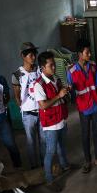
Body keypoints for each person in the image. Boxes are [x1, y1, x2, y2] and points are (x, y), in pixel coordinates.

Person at [67, 39, 97, 173]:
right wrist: (70, 90)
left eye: (89, 52)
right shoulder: (72, 71)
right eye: (87, 52)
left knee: (96, 133)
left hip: (95, 106)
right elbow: (71, 92)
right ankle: (87, 161)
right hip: (83, 108)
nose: (89, 54)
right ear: (80, 54)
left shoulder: (93, 66)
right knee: (85, 135)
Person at [34, 51, 70, 183]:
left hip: (60, 119)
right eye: (51, 65)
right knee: (51, 151)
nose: (54, 67)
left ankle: (65, 165)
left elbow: (60, 97)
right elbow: (43, 105)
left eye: (54, 64)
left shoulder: (56, 79)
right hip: (51, 124)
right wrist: (59, 96)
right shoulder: (39, 84)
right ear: (43, 68)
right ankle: (49, 178)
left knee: (62, 146)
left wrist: (65, 93)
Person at [12, 42, 44, 169]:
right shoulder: (17, 75)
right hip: (28, 114)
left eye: (34, 54)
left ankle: (43, 164)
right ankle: (34, 167)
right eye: (30, 55)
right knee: (31, 142)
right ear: (23, 56)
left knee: (43, 141)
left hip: (42, 111)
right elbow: (17, 96)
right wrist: (25, 107)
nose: (33, 57)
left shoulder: (39, 70)